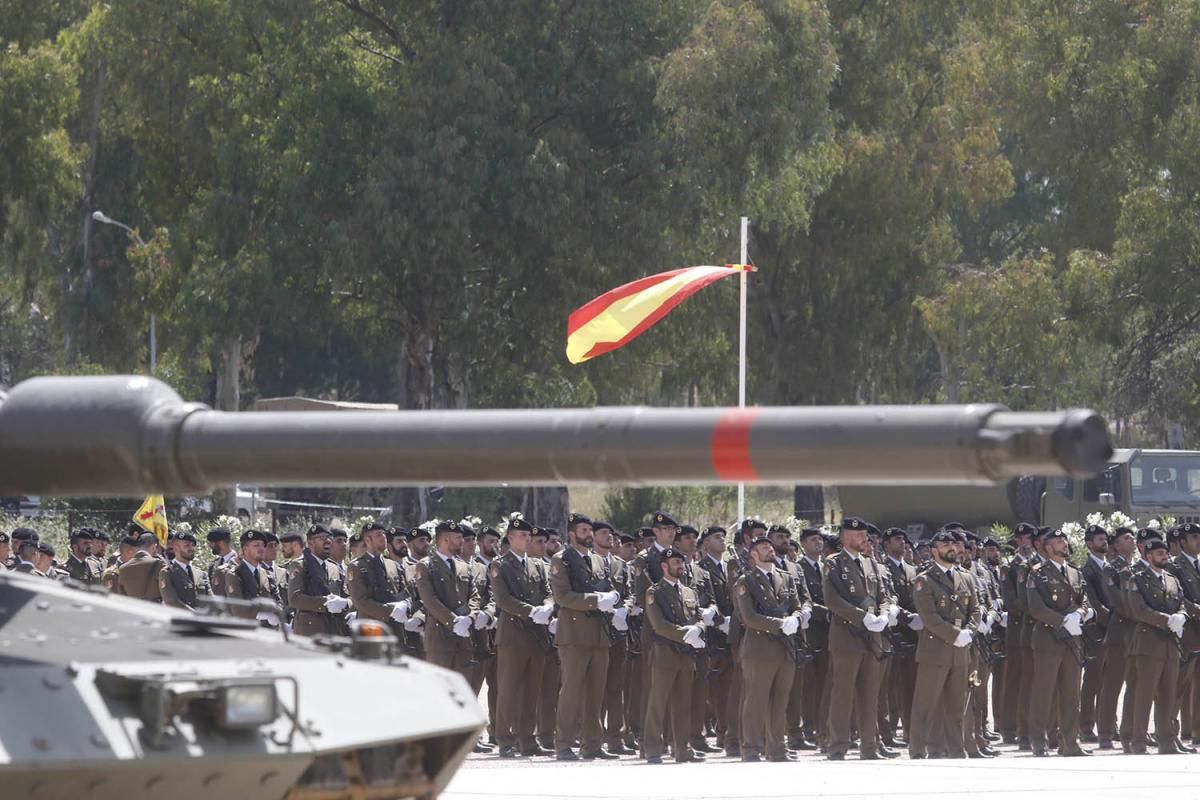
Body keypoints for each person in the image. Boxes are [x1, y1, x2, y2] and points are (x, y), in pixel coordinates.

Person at [549, 513, 620, 760]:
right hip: (574, 634)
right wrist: (596, 600)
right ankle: (564, 744)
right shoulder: (562, 561)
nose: (589, 534)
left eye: (590, 530)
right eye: (583, 530)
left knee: (596, 692)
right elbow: (563, 597)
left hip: (599, 635)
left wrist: (613, 599)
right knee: (571, 691)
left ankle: (592, 744)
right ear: (572, 533)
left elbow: (608, 588)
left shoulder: (598, 561)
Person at [823, 517, 895, 760]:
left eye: (865, 534)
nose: (865, 538)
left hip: (872, 639)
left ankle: (869, 747)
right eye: (858, 534)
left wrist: (884, 614)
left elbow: (883, 595)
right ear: (845, 537)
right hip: (846, 637)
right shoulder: (833, 564)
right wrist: (860, 617)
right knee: (842, 693)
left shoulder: (871, 564)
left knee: (870, 694)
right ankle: (837, 746)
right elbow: (832, 600)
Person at [733, 534, 806, 762]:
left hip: (785, 649)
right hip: (759, 650)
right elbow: (749, 617)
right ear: (753, 554)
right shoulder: (746, 581)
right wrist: (781, 624)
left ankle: (776, 749)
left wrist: (798, 616)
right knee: (756, 701)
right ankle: (751, 748)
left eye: (769, 546)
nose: (769, 549)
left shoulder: (786, 578)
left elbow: (796, 604)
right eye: (763, 547)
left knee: (780, 701)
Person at [908, 530, 978, 759]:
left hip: (960, 651)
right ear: (934, 550)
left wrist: (970, 630)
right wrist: (955, 634)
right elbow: (929, 616)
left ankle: (955, 749)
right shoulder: (924, 580)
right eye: (945, 544)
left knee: (957, 705)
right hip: (935, 649)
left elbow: (975, 610)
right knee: (926, 703)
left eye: (953, 544)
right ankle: (919, 749)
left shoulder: (965, 577)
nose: (952, 548)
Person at [1025, 528, 1092, 757]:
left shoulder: (1075, 573)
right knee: (1043, 692)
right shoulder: (1037, 573)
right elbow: (1036, 608)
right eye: (1059, 542)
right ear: (1048, 548)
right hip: (1048, 638)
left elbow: (1085, 601)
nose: (1064, 544)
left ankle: (1070, 742)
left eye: (1065, 541)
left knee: (1071, 692)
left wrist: (1080, 615)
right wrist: (1063, 620)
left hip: (1072, 641)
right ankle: (1039, 741)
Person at [492, 515, 553, 758]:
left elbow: (548, 592)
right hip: (513, 635)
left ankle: (527, 739)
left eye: (529, 536)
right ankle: (505, 738)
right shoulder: (500, 564)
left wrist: (548, 607)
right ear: (510, 538)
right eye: (523, 536)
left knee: (531, 690)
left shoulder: (537, 564)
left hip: (536, 636)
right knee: (508, 688)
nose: (527, 539)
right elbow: (503, 599)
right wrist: (531, 611)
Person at [643, 546, 708, 764]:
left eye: (682, 562)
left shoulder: (690, 591)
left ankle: (682, 748)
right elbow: (659, 625)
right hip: (665, 654)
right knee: (658, 703)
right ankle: (652, 749)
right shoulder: (655, 591)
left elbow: (699, 616)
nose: (680, 566)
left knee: (683, 704)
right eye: (675, 563)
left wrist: (698, 629)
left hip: (686, 656)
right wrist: (686, 635)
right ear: (664, 566)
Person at [1127, 537, 1189, 754]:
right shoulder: (1138, 579)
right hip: (1148, 643)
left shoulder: (1172, 579)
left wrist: (1181, 616)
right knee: (1144, 694)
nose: (1165, 556)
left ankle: (1167, 741)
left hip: (1170, 645)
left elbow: (1181, 602)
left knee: (1168, 695)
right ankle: (1139, 741)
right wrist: (1166, 619)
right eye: (1160, 553)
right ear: (1149, 556)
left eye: (1166, 553)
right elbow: (1138, 610)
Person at [415, 520, 479, 681]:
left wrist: (469, 618)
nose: (462, 541)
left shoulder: (463, 566)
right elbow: (429, 600)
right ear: (445, 540)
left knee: (462, 689)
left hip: (464, 638)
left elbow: (474, 596)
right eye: (458, 537)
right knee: (439, 690)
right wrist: (454, 622)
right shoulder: (426, 566)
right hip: (439, 639)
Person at [1079, 524, 1111, 743]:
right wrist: (1114, 621)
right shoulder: (1086, 570)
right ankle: (1086, 726)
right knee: (1092, 682)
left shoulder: (1110, 567)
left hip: (1114, 633)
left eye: (1105, 538)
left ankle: (1108, 725)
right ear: (1089, 544)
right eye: (1100, 539)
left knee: (1110, 682)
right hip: (1097, 632)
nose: (1104, 542)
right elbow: (1094, 602)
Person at [289, 525, 351, 636]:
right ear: (310, 543)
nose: (328, 541)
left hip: (334, 629)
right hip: (310, 631)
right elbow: (294, 598)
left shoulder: (334, 567)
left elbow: (347, 595)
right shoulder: (300, 565)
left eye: (330, 538)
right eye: (322, 538)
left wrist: (346, 603)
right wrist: (325, 603)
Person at [160, 531, 210, 610]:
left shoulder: (201, 573)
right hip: (182, 620)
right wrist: (196, 616)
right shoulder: (168, 573)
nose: (191, 548)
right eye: (186, 545)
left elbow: (211, 600)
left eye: (193, 545)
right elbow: (172, 602)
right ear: (176, 548)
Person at [118, 533, 165, 601]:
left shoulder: (123, 568)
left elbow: (122, 596)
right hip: (154, 609)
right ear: (154, 547)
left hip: (132, 609)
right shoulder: (159, 564)